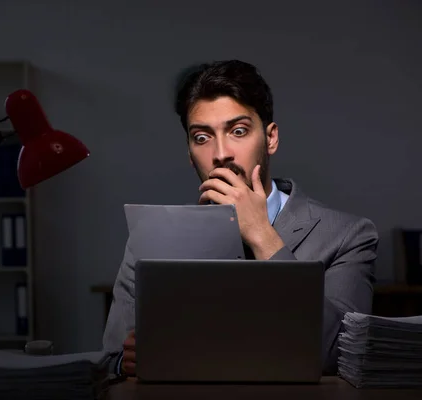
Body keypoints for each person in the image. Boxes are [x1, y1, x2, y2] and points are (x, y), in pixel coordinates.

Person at [101, 59, 379, 377]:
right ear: (190, 155)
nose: (221, 153)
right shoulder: (148, 239)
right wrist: (127, 363)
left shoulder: (348, 236)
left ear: (270, 138)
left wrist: (261, 234)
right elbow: (109, 360)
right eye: (202, 138)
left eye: (238, 131)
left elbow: (340, 357)